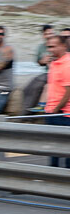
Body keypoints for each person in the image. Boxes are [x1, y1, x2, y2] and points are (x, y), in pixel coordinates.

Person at [44, 35, 70, 167]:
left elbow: (68, 91)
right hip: (52, 112)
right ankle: (53, 178)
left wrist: (56, 110)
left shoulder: (67, 64)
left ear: (63, 46)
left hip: (64, 114)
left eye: (53, 46)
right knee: (54, 150)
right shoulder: (54, 62)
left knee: (66, 152)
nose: (50, 50)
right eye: (49, 47)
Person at [20, 25, 54, 114]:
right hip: (46, 72)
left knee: (37, 85)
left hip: (54, 73)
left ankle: (27, 113)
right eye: (47, 34)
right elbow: (38, 62)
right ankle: (28, 110)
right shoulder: (41, 47)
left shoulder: (57, 45)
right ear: (43, 36)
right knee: (26, 88)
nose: (49, 35)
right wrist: (43, 61)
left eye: (51, 33)